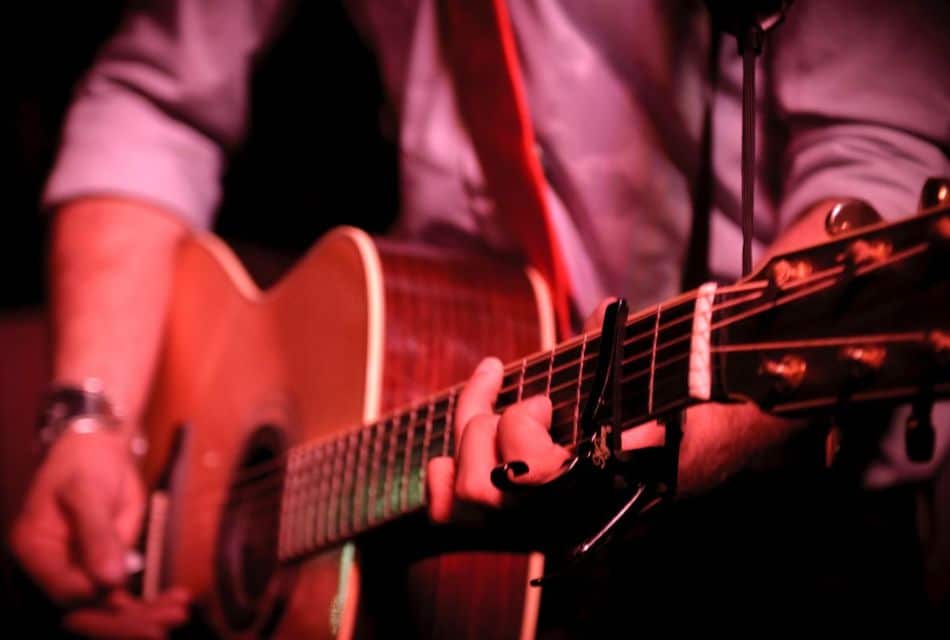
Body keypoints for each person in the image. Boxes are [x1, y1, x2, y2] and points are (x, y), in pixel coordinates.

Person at [10, 0, 950, 637]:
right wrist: (89, 417)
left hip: (786, 539)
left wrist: (661, 448)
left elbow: (874, 164)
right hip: (439, 408)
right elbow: (151, 97)